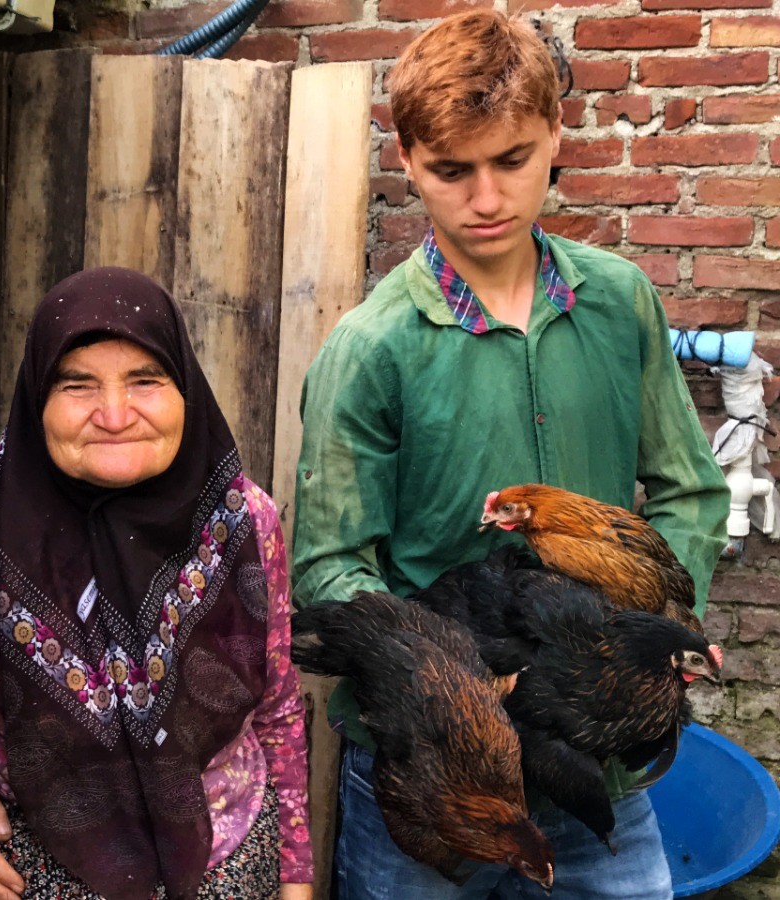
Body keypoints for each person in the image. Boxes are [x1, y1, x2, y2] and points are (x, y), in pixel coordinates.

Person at [291, 11, 728, 900]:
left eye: (512, 161)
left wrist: (640, 646)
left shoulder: (619, 303)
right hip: (433, 780)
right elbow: (332, 568)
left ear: (556, 136)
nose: (486, 198)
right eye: (452, 170)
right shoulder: (373, 349)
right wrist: (446, 686)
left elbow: (689, 489)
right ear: (407, 158)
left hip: (595, 759)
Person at [0, 267, 314, 900]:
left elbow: (279, 704)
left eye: (145, 381)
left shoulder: (242, 521)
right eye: (77, 385)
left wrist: (295, 882)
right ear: (35, 399)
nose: (114, 414)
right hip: (24, 872)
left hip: (228, 864)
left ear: (184, 387)